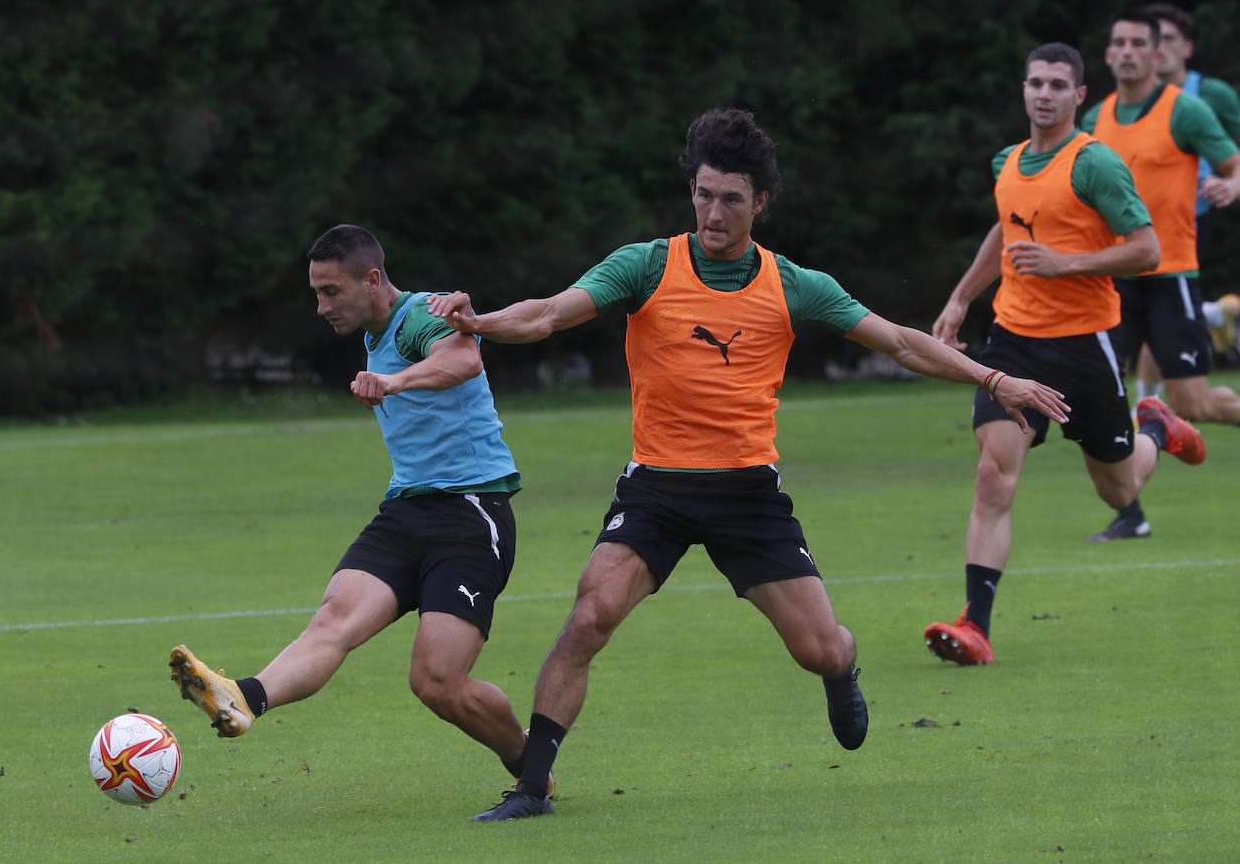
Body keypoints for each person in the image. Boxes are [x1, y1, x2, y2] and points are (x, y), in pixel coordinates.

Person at [428, 108, 1072, 821]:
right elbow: (550, 313)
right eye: (703, 194)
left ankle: (842, 662)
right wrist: (481, 323)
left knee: (818, 649)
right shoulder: (646, 265)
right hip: (658, 490)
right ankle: (533, 785)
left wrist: (991, 378)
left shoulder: (793, 283)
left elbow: (899, 342)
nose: (713, 212)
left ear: (759, 203)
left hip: (749, 497)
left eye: (731, 199)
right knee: (591, 613)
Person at [169, 224, 540, 802]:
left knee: (438, 683)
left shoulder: (418, 316)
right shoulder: (373, 330)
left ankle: (530, 765)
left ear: (372, 281)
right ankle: (244, 696)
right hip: (405, 511)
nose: (321, 306)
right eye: (316, 292)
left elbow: (464, 358)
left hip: (470, 515)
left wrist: (393, 381)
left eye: (331, 291)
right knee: (332, 619)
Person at [923, 43, 1206, 666]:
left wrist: (1066, 262)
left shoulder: (1095, 165)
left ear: (1080, 96)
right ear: (1022, 89)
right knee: (993, 477)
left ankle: (1155, 427)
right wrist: (962, 297)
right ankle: (976, 625)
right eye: (1034, 82)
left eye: (1057, 84)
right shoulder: (1009, 161)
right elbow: (1005, 225)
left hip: (1085, 346)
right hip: (1012, 343)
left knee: (1118, 487)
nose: (1043, 93)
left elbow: (1147, 250)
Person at [1079, 8, 1240, 542]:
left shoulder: (1185, 110)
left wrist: (1230, 186)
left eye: (1137, 44)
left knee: (1192, 403)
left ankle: (1163, 427)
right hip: (1111, 280)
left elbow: (1232, 165)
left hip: (1173, 277)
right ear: (1107, 55)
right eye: (1117, 43)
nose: (1126, 52)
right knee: (1102, 396)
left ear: (1156, 55)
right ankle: (1131, 511)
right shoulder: (1093, 121)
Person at [1131, 3, 1240, 403]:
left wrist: (1230, 185)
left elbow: (1236, 159)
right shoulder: (1123, 104)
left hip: (1190, 219)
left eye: (1168, 40)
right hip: (1136, 225)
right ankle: (1212, 314)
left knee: (1155, 313)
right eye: (1151, 40)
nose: (1158, 49)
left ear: (1187, 48)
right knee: (1149, 316)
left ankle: (1144, 409)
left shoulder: (1210, 95)